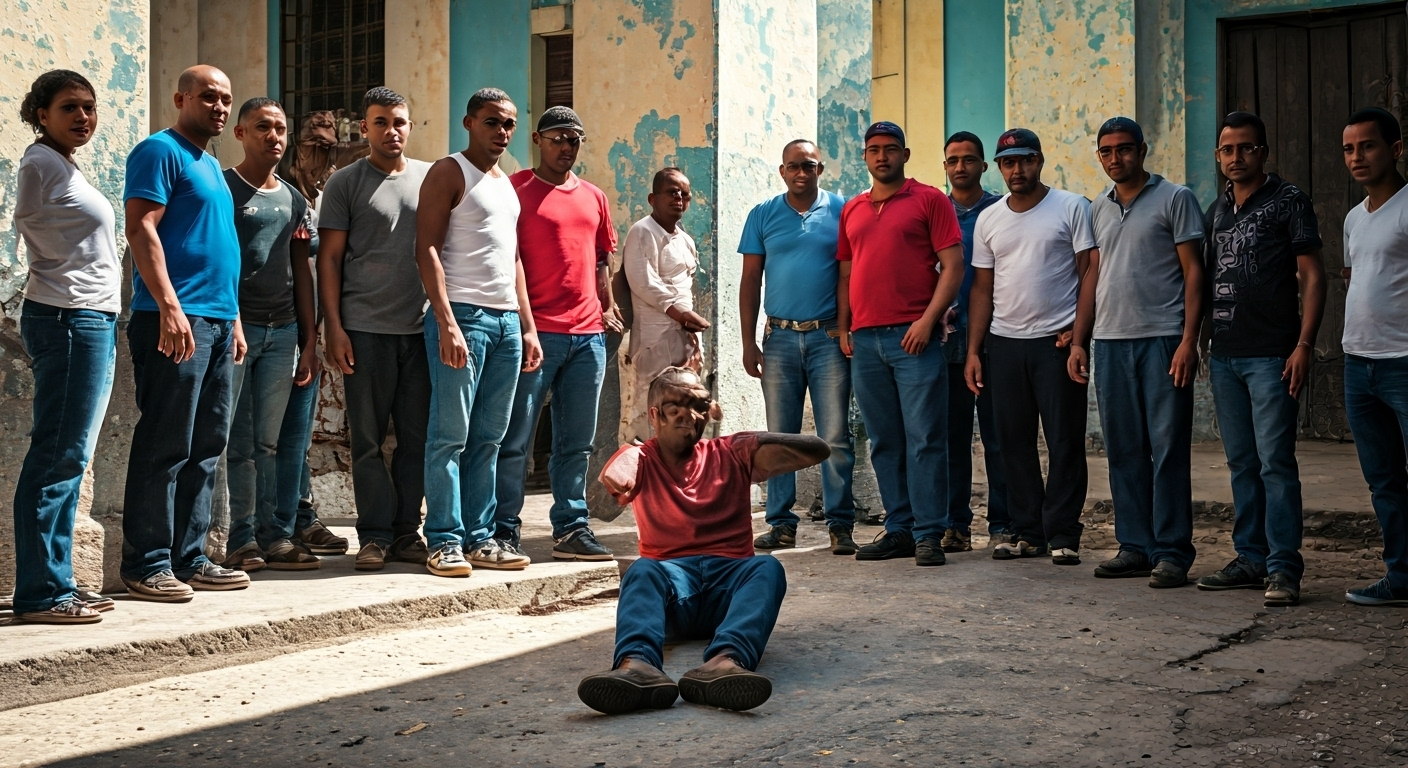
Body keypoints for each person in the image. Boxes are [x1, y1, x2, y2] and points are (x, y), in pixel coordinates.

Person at [577, 367, 828, 714]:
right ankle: (638, 667)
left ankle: (724, 663)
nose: (688, 415)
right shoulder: (641, 458)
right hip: (672, 595)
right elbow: (604, 494)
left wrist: (754, 440)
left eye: (698, 405)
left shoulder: (732, 451)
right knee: (642, 570)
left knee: (767, 567)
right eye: (675, 406)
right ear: (654, 415)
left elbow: (817, 449)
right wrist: (624, 463)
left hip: (729, 591)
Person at [120, 65, 250, 602]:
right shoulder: (159, 151)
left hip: (217, 322)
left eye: (225, 99)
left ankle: (189, 557)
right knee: (166, 443)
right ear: (181, 98)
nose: (218, 107)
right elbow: (140, 227)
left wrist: (234, 318)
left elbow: (218, 247)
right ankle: (145, 562)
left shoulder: (212, 163)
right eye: (207, 97)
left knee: (206, 446)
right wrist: (169, 307)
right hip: (174, 319)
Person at [1195, 111, 1325, 608]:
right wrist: (1202, 340)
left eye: (1246, 148)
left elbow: (1314, 276)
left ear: (1263, 152)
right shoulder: (1216, 211)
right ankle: (1250, 557)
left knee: (1275, 462)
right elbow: (1204, 283)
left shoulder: (1288, 201)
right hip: (1227, 356)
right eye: (1227, 150)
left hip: (1273, 356)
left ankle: (1283, 568)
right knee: (1242, 463)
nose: (1236, 158)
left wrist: (1304, 345)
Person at [1070, 117, 1205, 589]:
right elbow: (1092, 278)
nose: (1115, 159)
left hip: (1163, 340)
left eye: (1124, 149)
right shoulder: (1097, 209)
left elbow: (1194, 273)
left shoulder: (1175, 198)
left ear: (1142, 150)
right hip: (1109, 344)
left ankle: (1171, 551)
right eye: (1106, 152)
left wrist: (1190, 340)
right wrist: (1079, 340)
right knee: (1124, 449)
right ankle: (1134, 546)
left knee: (1167, 450)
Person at [416, 87, 541, 577]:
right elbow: (426, 248)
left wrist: (527, 327)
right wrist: (446, 321)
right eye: (492, 122)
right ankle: (444, 540)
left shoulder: (505, 183)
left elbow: (512, 260)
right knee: (450, 435)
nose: (502, 132)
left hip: (507, 322)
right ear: (468, 123)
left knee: (489, 437)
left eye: (508, 124)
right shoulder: (449, 172)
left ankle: (480, 538)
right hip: (462, 317)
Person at [11, 70, 121, 623]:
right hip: (69, 318)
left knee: (70, 456)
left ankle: (56, 583)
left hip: (89, 319)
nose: (83, 116)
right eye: (69, 108)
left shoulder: (62, 164)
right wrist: (61, 274)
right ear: (41, 113)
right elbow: (27, 223)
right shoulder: (40, 163)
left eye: (89, 107)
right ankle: (40, 592)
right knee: (57, 455)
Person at [493, 106, 620, 563]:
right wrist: (523, 324)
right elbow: (502, 257)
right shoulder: (515, 190)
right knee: (516, 437)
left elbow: (603, 257)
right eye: (557, 138)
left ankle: (571, 527)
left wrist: (607, 305)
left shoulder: (593, 196)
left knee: (577, 441)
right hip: (534, 334)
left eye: (574, 139)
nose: (566, 147)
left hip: (588, 337)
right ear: (538, 140)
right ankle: (503, 529)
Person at [965, 128, 1095, 567]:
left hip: (1055, 345)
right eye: (1008, 162)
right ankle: (1027, 531)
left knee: (1064, 441)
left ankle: (1062, 533)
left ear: (1040, 161)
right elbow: (982, 289)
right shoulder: (990, 218)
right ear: (998, 167)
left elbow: (1088, 275)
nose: (1017, 170)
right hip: (1004, 345)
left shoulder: (1072, 207)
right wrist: (974, 351)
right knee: (1011, 443)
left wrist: (1079, 334)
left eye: (1025, 160)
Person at [837, 121, 964, 566]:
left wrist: (928, 321)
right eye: (874, 150)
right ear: (865, 157)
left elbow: (953, 266)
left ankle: (930, 533)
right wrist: (844, 327)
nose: (882, 157)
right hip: (866, 343)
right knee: (884, 440)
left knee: (926, 438)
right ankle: (899, 530)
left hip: (915, 338)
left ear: (905, 155)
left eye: (891, 149)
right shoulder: (852, 209)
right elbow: (847, 273)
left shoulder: (930, 199)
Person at [319, 87, 432, 572]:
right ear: (364, 128)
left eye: (400, 121)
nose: (392, 130)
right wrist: (334, 329)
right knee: (366, 440)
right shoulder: (345, 183)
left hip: (421, 331)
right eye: (381, 122)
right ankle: (374, 534)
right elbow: (329, 259)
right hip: (364, 330)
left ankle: (408, 532)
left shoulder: (431, 179)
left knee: (416, 438)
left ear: (410, 126)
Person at [740, 139, 858, 556]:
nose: (801, 173)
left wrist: (847, 328)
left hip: (828, 338)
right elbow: (751, 279)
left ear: (820, 168)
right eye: (793, 167)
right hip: (780, 340)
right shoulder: (763, 215)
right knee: (779, 437)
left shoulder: (844, 211)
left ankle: (841, 524)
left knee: (835, 435)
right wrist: (748, 342)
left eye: (809, 166)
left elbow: (851, 274)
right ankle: (781, 524)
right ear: (782, 171)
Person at [219, 97, 320, 572]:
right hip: (237, 331)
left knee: (270, 443)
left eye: (280, 128)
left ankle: (275, 535)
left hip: (283, 335)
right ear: (240, 133)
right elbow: (219, 263)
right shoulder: (225, 189)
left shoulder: (294, 199)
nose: (273, 136)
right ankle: (240, 540)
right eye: (262, 127)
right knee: (237, 445)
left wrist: (309, 341)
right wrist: (233, 322)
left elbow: (303, 271)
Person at [1338, 107, 1408, 607]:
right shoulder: (1352, 219)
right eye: (1349, 148)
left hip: (1404, 362)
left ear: (1396, 149)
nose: (1357, 156)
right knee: (1384, 481)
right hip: (1358, 366)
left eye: (1368, 145)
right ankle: (1400, 577)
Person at [940, 131, 1009, 551]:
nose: (961, 166)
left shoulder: (1002, 210)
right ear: (944, 166)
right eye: (953, 160)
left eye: (969, 159)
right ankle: (956, 525)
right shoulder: (934, 210)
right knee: (952, 437)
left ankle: (1003, 522)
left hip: (995, 337)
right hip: (946, 339)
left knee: (999, 435)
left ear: (984, 166)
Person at [621, 168, 708, 444]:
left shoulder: (686, 240)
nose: (679, 199)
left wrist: (687, 323)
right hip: (653, 341)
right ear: (652, 198)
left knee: (684, 411)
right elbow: (642, 282)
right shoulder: (642, 231)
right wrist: (678, 313)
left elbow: (686, 286)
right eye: (672, 192)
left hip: (684, 339)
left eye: (685, 195)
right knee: (652, 414)